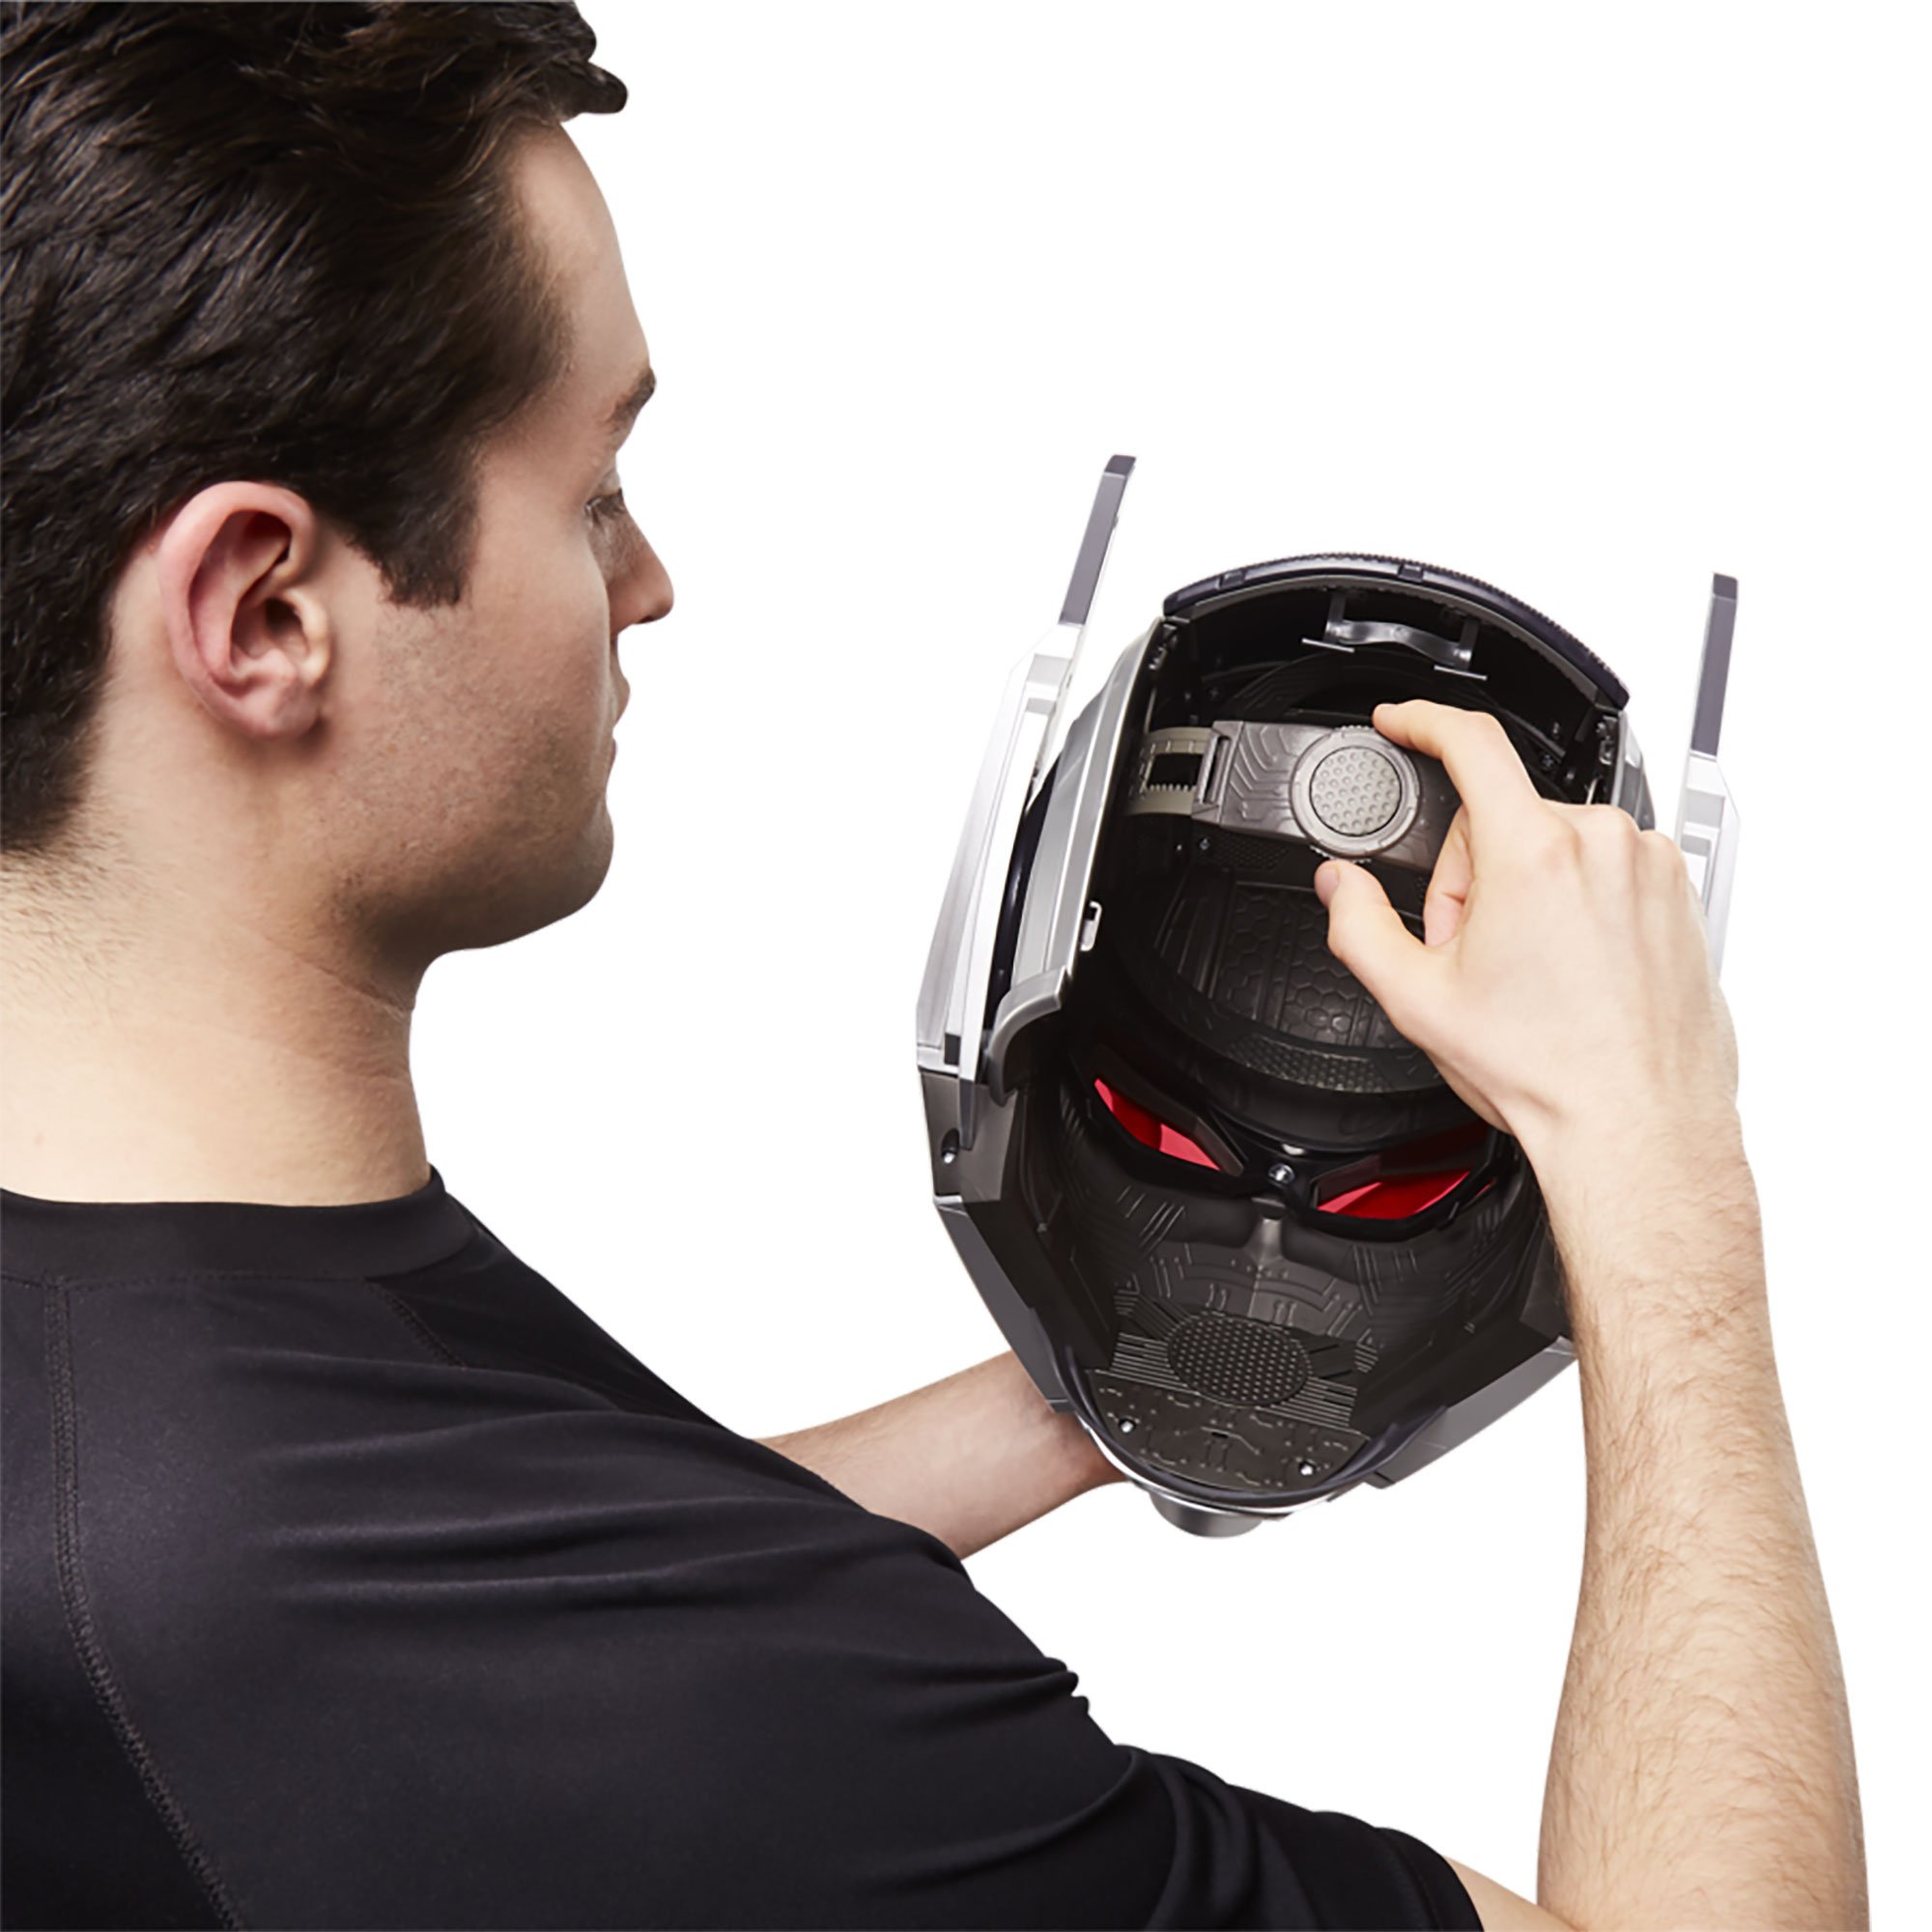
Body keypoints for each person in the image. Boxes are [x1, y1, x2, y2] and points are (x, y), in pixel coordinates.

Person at [0, 6, 1865, 1929]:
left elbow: (507, 1612)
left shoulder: (200, 1403)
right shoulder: (673, 1706)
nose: (647, 582)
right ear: (264, 612)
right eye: (593, 494)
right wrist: (1654, 1172)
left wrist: (1111, 1361)